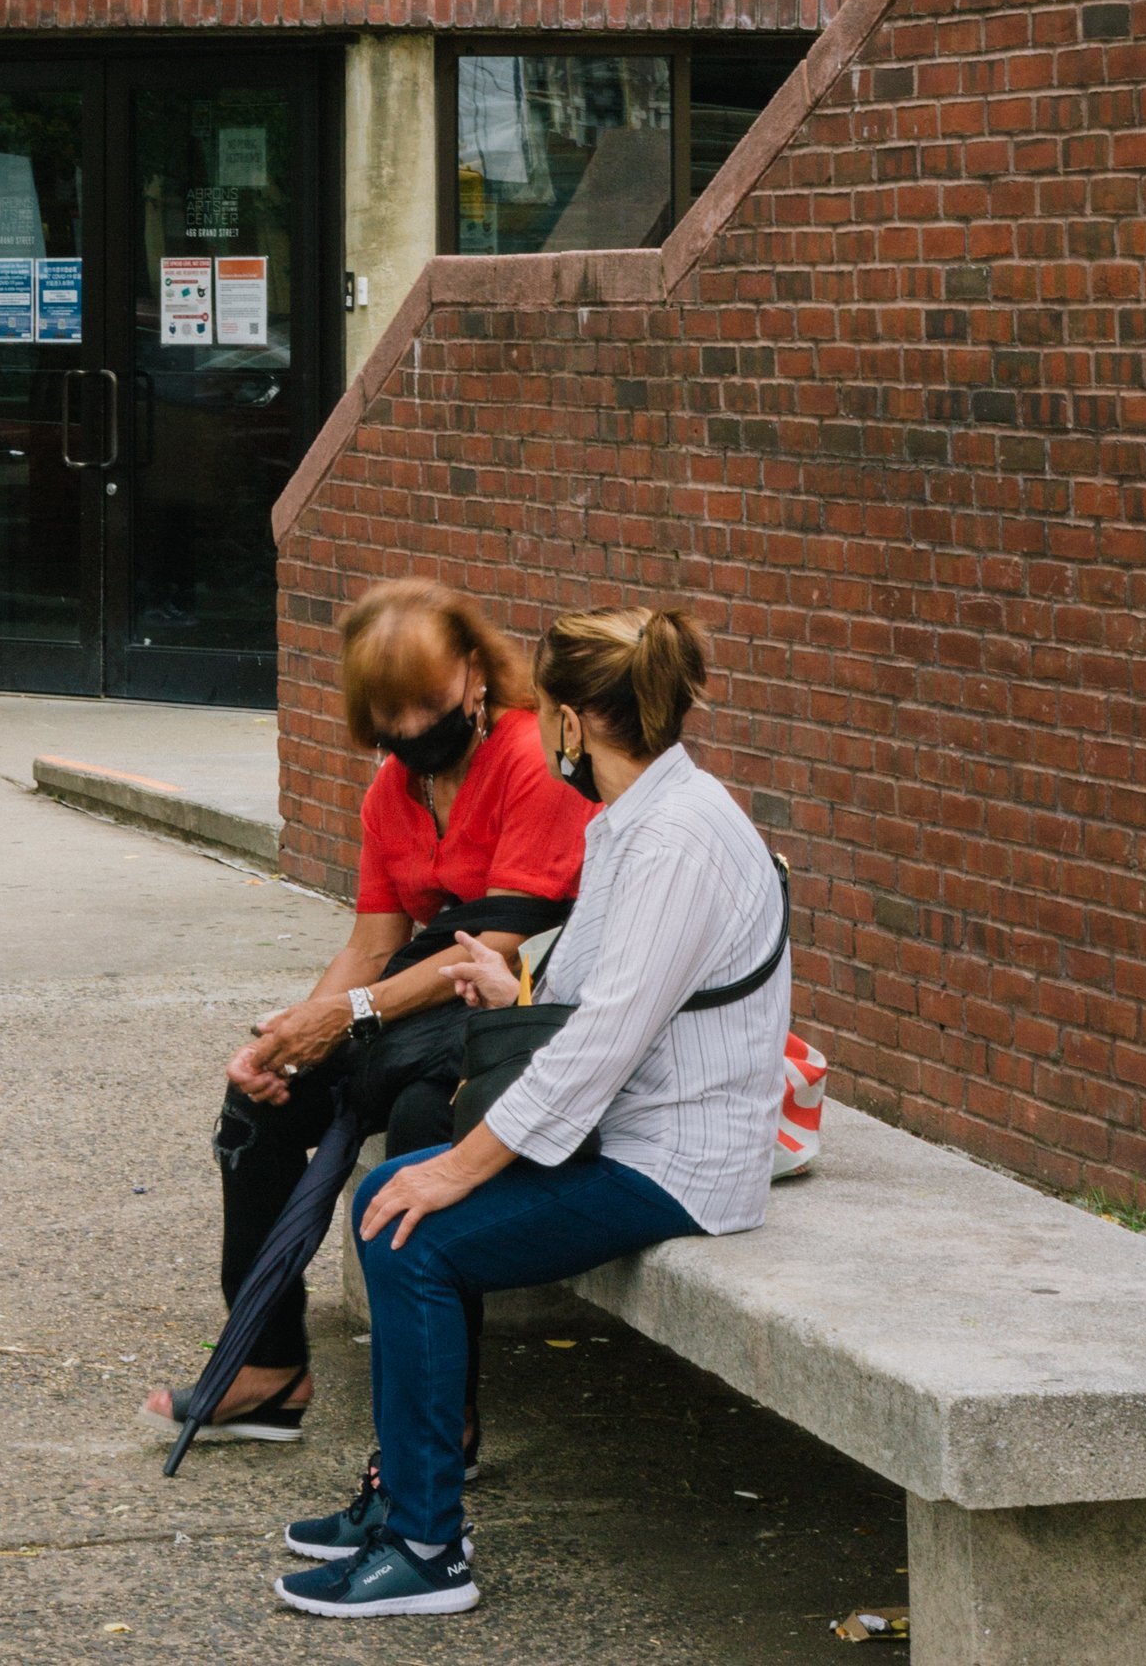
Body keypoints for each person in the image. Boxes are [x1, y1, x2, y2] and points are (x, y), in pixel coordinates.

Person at [274, 605, 791, 1620]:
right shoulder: (639, 818)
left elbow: (601, 1046)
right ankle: (406, 1511)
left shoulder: (676, 841)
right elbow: (594, 1005)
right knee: (395, 1200)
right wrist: (507, 995)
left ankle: (426, 1549)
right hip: (636, 1131)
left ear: (571, 720)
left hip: (673, 1160)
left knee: (410, 1224)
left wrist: (459, 1167)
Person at [145, 577, 590, 1454]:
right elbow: (372, 944)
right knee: (258, 1105)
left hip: (530, 1010)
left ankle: (441, 1416)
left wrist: (343, 1017)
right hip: (428, 1010)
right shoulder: (393, 790)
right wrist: (285, 1043)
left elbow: (492, 950)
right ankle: (268, 1367)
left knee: (430, 1119)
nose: (415, 730)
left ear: (473, 672)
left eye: (429, 704)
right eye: (391, 716)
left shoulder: (529, 762)